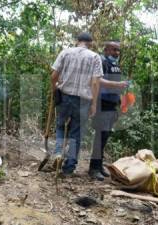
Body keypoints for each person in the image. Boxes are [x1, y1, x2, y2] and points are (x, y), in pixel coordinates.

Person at [50, 32, 103, 175]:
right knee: (76, 133)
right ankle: (68, 168)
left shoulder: (65, 53)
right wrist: (93, 104)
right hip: (83, 101)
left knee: (60, 126)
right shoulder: (94, 57)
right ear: (90, 43)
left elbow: (53, 76)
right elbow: (95, 83)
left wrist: (55, 90)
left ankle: (58, 153)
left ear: (77, 41)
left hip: (65, 96)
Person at [88, 41, 128, 181]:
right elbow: (97, 81)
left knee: (105, 136)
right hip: (101, 103)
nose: (117, 53)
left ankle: (98, 165)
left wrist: (121, 98)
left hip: (112, 104)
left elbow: (116, 85)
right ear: (106, 50)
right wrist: (117, 84)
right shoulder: (101, 62)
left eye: (118, 50)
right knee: (100, 136)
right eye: (114, 50)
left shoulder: (114, 65)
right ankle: (93, 168)